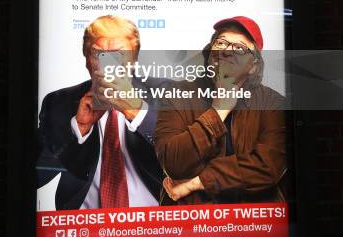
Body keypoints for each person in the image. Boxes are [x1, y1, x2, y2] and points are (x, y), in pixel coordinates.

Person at [154, 16, 287, 205]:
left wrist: (196, 182)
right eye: (221, 42)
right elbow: (173, 163)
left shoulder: (274, 103)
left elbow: (268, 167)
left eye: (239, 48)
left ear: (253, 65)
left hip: (255, 223)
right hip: (190, 225)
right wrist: (218, 110)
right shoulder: (176, 94)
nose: (227, 51)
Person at [37, 15, 162, 209]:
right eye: (98, 53)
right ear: (87, 59)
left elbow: (186, 162)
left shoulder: (166, 92)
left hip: (154, 223)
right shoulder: (59, 102)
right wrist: (78, 128)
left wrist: (137, 113)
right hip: (83, 225)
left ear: (135, 58)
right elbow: (38, 176)